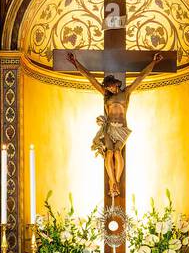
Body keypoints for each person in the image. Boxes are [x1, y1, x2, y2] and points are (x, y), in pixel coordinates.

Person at [66, 50, 162, 202]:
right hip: (110, 128)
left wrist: (154, 62)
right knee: (109, 152)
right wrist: (76, 63)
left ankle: (115, 181)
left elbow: (141, 77)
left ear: (116, 84)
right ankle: (113, 182)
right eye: (107, 87)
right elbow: (91, 79)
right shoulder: (105, 95)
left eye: (110, 86)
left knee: (118, 152)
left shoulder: (126, 93)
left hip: (122, 129)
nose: (109, 89)